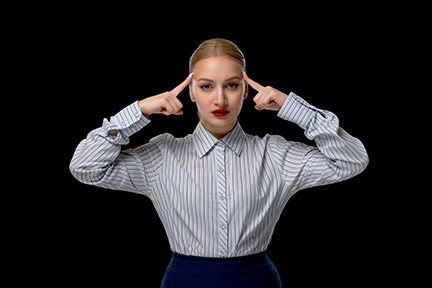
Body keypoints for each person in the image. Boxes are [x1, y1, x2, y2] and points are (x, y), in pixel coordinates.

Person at [70, 38, 369, 288]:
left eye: (231, 85)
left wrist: (294, 108)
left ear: (246, 90)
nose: (220, 100)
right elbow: (86, 167)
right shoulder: (162, 156)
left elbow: (352, 161)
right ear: (190, 92)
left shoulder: (276, 155)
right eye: (206, 86)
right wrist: (139, 111)